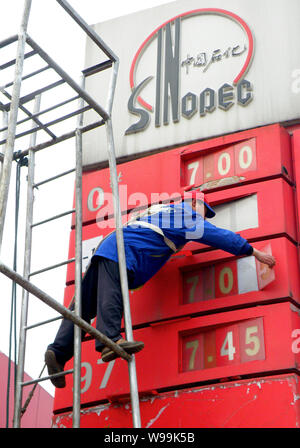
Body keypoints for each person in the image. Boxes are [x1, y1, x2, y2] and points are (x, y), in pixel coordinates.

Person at [45, 189, 275, 388]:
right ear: (194, 204)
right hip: (122, 251)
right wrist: (253, 252)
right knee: (112, 293)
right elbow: (218, 236)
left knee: (83, 308)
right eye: (206, 211)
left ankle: (58, 352)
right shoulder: (185, 216)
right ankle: (110, 340)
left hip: (107, 249)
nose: (205, 216)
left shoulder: (163, 214)